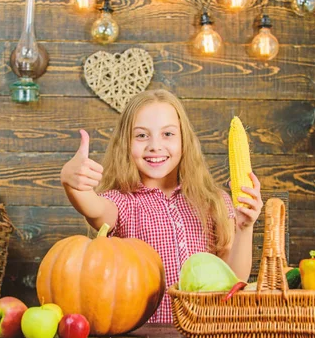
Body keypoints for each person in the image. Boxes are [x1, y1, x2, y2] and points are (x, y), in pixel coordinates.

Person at [60, 89, 263, 323]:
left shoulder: (213, 201)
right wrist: (72, 182)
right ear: (125, 143)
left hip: (202, 336)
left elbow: (234, 279)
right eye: (141, 136)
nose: (155, 146)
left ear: (184, 141)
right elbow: (94, 207)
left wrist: (245, 227)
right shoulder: (123, 202)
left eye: (167, 134)